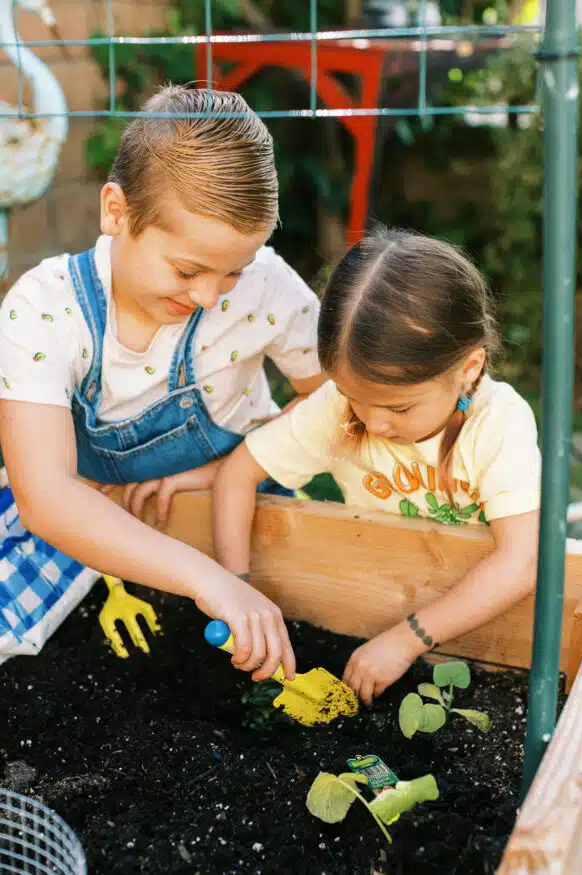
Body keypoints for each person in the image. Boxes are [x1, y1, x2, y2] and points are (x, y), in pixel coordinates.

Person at [0, 84, 327, 679]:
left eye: (234, 271)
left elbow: (333, 400)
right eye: (187, 270)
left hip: (230, 513)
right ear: (116, 212)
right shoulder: (46, 309)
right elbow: (46, 497)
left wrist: (229, 470)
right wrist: (212, 582)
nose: (208, 295)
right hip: (91, 525)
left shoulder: (267, 291)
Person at [211, 227, 541, 702]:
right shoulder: (338, 408)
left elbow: (521, 561)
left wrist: (409, 639)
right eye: (353, 396)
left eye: (398, 409)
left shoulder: (499, 424)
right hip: (371, 605)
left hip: (483, 637)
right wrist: (237, 593)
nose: (371, 422)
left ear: (468, 369)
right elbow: (238, 475)